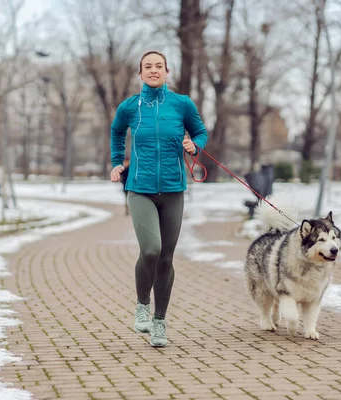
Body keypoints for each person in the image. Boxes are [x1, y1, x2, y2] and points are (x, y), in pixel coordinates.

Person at [110, 50, 208, 347]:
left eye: (159, 66)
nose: (153, 70)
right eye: (147, 67)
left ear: (168, 72)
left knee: (166, 257)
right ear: (140, 74)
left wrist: (194, 145)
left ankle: (160, 322)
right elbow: (116, 133)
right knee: (151, 250)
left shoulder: (182, 104)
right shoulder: (130, 107)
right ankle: (142, 305)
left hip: (174, 189)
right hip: (140, 188)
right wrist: (117, 161)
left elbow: (200, 131)